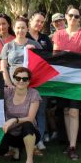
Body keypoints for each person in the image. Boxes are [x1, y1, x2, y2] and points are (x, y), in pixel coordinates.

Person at [52, 7, 81, 161]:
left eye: (77, 16)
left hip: (78, 79)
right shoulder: (58, 34)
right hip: (62, 79)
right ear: (65, 16)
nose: (74, 19)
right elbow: (55, 57)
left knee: (75, 112)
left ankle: (73, 146)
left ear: (80, 19)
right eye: (71, 16)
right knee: (66, 111)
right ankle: (70, 144)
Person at [0, 67, 41, 163]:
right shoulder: (7, 92)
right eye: (18, 78)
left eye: (25, 79)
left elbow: (31, 118)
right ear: (14, 79)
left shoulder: (34, 94)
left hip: (29, 133)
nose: (21, 81)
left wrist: (14, 120)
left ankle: (29, 161)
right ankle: (15, 150)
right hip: (9, 133)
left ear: (28, 81)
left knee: (27, 124)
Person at [27, 11, 54, 149]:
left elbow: (51, 58)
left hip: (43, 81)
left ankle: (40, 138)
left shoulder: (45, 39)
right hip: (25, 81)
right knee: (26, 112)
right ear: (30, 21)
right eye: (37, 20)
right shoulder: (22, 35)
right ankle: (28, 139)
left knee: (41, 110)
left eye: (42, 22)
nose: (39, 24)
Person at [0, 17, 42, 87]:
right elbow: (3, 68)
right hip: (13, 87)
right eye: (18, 28)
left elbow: (42, 64)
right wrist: (10, 85)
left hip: (32, 86)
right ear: (14, 29)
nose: (20, 30)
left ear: (27, 29)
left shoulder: (35, 44)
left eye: (23, 28)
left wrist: (34, 52)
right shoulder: (7, 46)